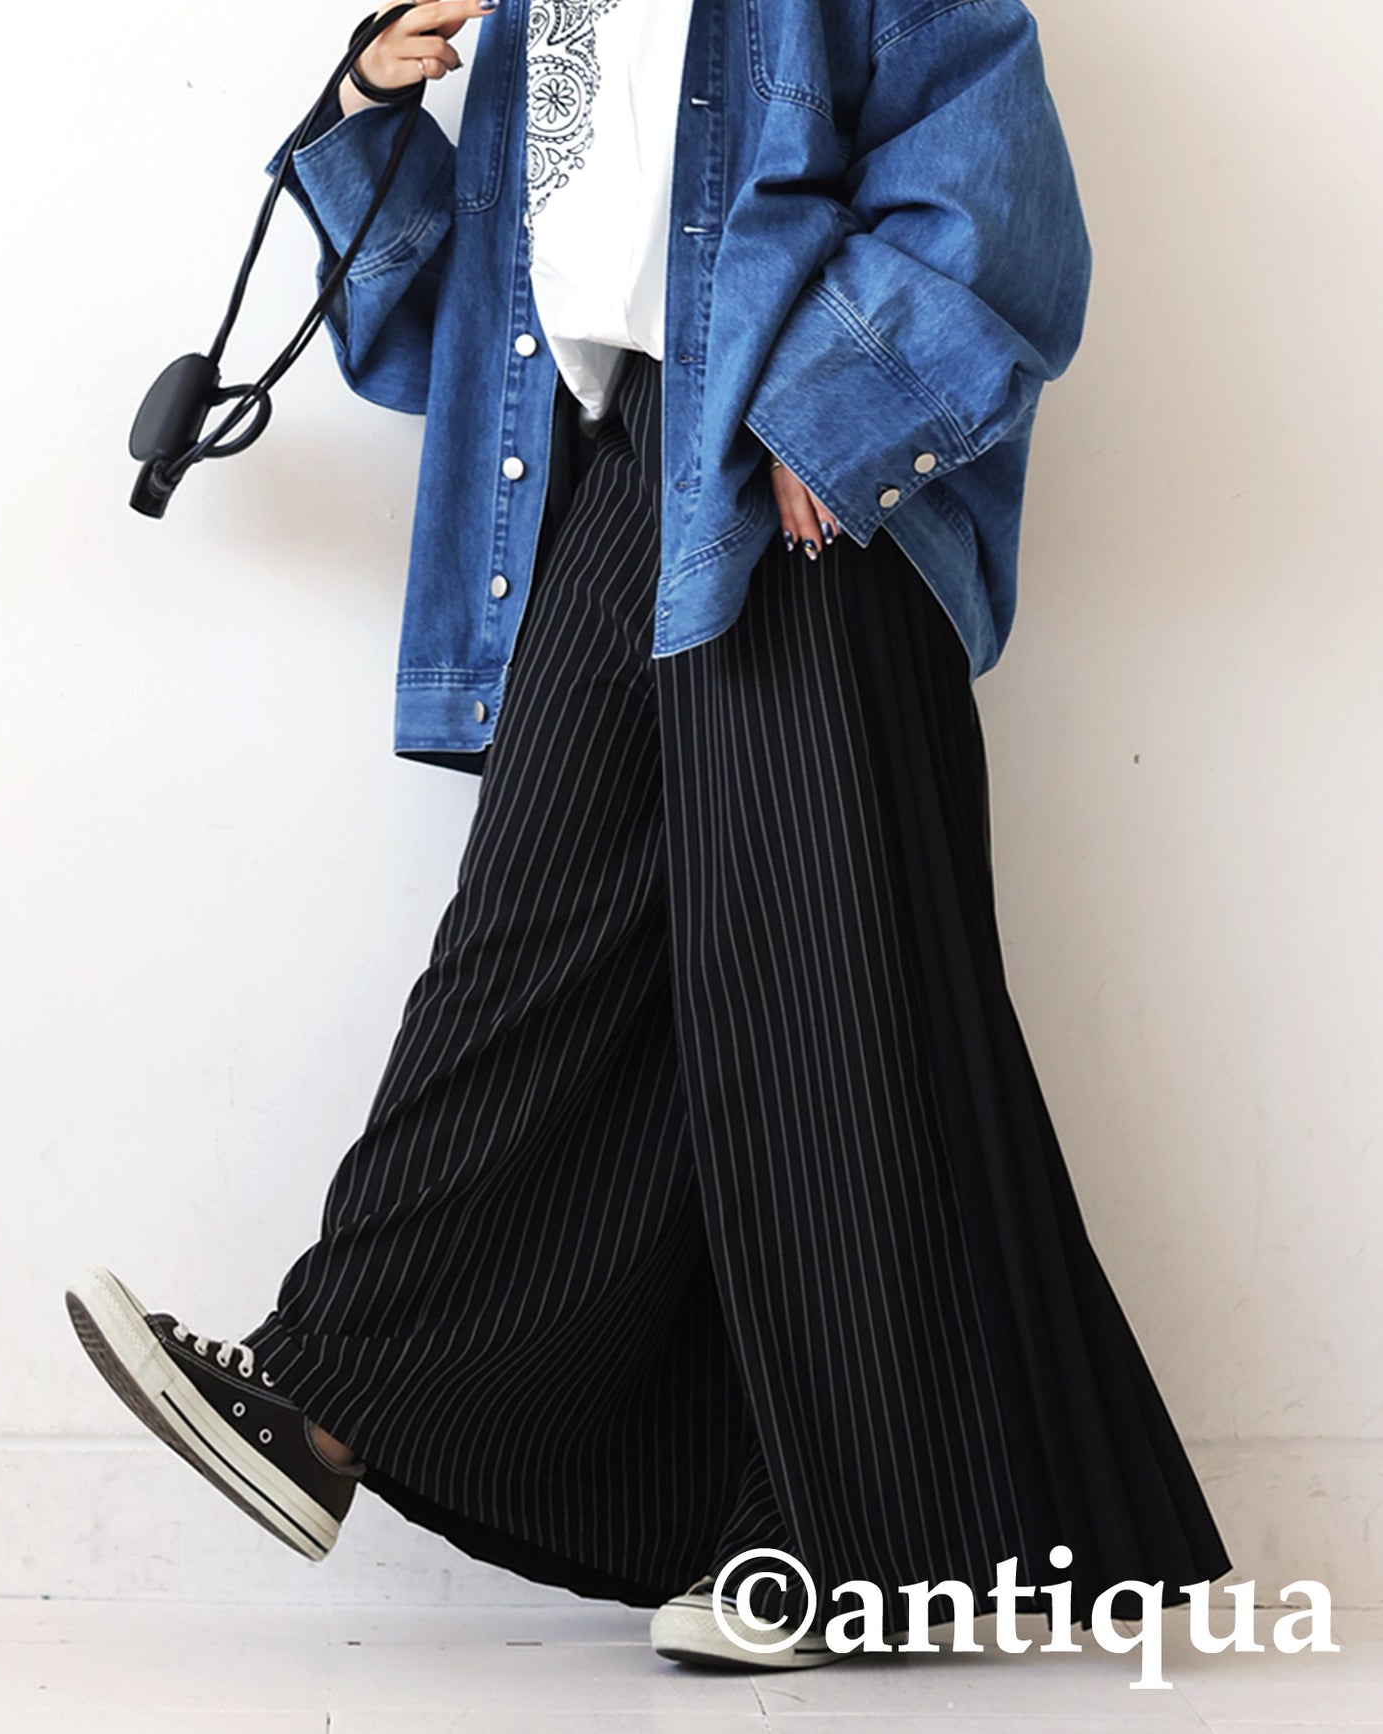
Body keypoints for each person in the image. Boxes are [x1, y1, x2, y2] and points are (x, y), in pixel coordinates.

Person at [67, 0, 1233, 1671]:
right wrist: (368, 105)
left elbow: (997, 198)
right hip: (623, 469)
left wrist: (832, 413)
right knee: (528, 939)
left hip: (787, 479)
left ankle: (842, 1542)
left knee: (818, 997)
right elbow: (457, 332)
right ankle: (329, 1396)